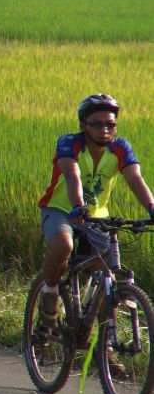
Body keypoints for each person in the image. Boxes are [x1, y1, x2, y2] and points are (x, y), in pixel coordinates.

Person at [36, 94, 154, 346]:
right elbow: (72, 176)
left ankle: (105, 347)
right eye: (97, 124)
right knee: (64, 246)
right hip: (61, 210)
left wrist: (152, 208)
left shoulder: (121, 148)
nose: (104, 130)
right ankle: (49, 295)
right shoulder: (69, 143)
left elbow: (135, 179)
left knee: (106, 278)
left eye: (110, 124)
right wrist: (78, 206)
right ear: (83, 126)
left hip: (98, 218)